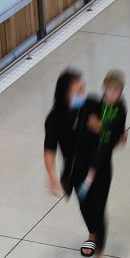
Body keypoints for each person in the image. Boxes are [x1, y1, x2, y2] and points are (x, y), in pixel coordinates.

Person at [67, 71, 130, 258]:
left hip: (103, 155)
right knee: (84, 203)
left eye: (116, 92)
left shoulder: (120, 108)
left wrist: (102, 127)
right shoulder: (94, 102)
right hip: (85, 158)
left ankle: (100, 246)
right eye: (108, 92)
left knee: (99, 205)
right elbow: (75, 111)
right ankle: (93, 234)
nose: (111, 96)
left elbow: (114, 129)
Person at [42, 67, 85, 199]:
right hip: (76, 170)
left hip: (98, 165)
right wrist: (51, 174)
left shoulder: (88, 107)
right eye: (79, 91)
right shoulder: (54, 119)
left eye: (84, 88)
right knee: (90, 211)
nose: (84, 93)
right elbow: (50, 148)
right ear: (66, 94)